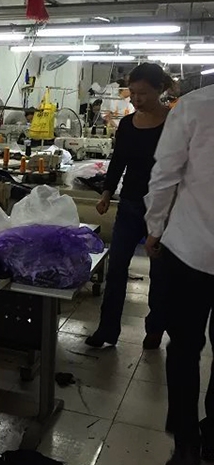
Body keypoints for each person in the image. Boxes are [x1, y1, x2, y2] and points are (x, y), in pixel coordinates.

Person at [145, 85, 214, 465]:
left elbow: (164, 176)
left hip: (191, 250)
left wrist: (154, 228)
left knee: (185, 349)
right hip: (190, 249)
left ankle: (187, 443)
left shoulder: (195, 106)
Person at [85, 63, 172, 349]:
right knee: (116, 268)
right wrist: (106, 193)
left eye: (143, 93)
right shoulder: (127, 124)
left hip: (164, 208)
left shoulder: (174, 123)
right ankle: (107, 329)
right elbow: (118, 161)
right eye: (132, 92)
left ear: (160, 89)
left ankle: (155, 327)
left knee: (159, 272)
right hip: (131, 204)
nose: (136, 99)